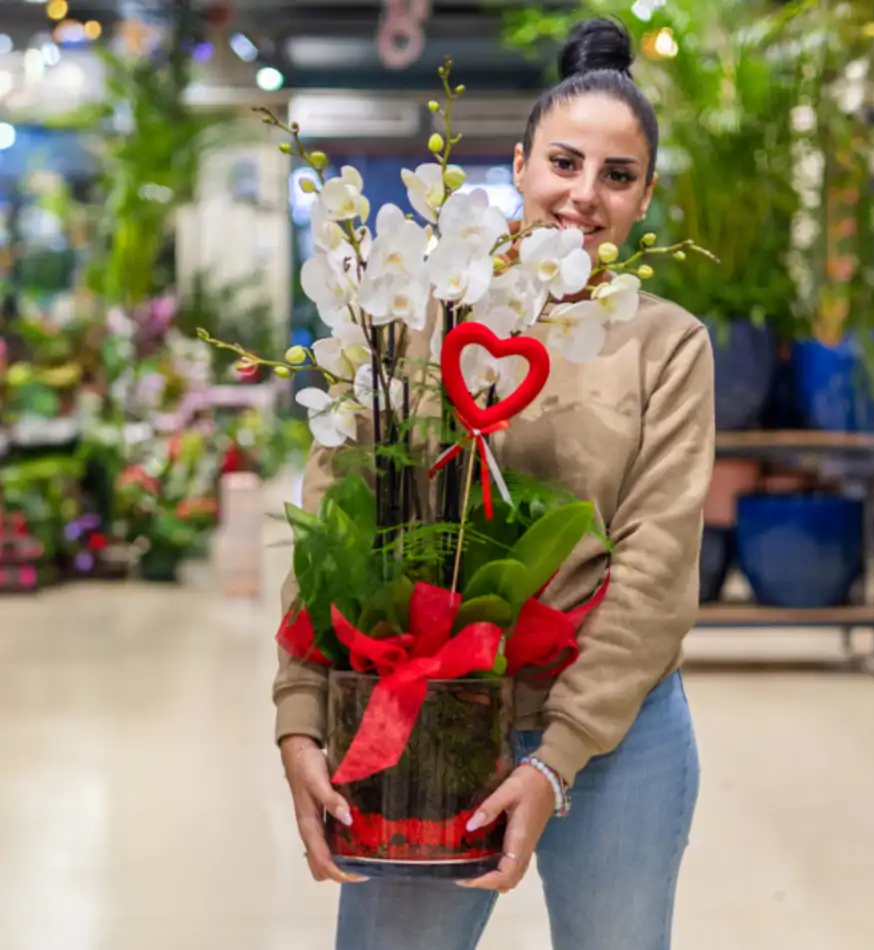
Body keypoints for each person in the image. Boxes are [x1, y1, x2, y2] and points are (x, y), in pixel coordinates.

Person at [274, 16, 715, 950]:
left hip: (612, 732)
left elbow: (658, 565)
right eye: (563, 162)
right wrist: (301, 717)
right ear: (517, 167)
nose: (583, 196)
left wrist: (556, 760)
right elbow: (336, 528)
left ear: (645, 197)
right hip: (420, 711)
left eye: (617, 176)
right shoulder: (418, 315)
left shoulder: (666, 343)